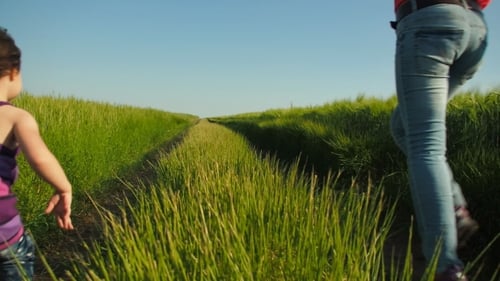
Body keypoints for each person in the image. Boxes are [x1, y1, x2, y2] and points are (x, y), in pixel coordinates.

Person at [389, 0, 490, 280]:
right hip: (473, 27)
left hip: (429, 22)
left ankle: (446, 268)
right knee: (401, 127)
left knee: (426, 147)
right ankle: (455, 209)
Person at [0, 27, 74, 280]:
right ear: (13, 72)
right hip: (4, 237)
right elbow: (40, 158)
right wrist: (63, 187)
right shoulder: (15, 116)